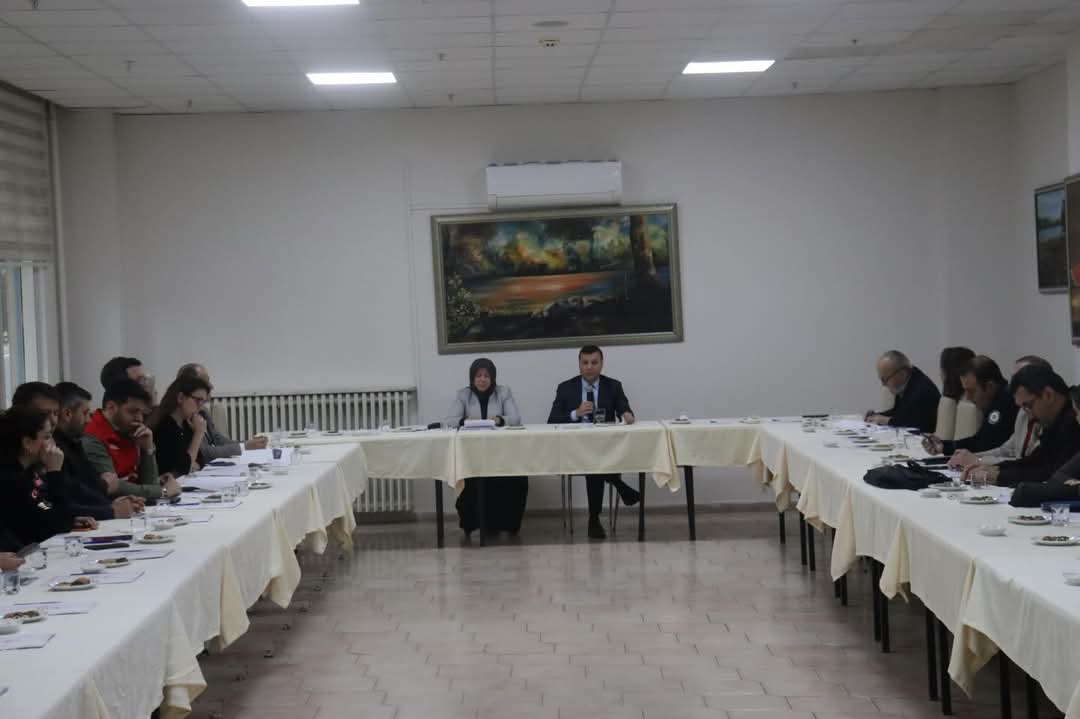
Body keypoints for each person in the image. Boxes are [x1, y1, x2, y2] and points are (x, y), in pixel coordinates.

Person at [547, 345, 640, 540]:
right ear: (579, 364)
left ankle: (595, 518)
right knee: (594, 462)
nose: (589, 367)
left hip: (604, 447)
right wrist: (576, 413)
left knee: (595, 461)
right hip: (574, 448)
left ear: (601, 364)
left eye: (594, 362)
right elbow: (552, 420)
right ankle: (616, 490)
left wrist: (627, 414)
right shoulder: (566, 387)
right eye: (585, 363)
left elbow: (624, 407)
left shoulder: (613, 386)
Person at [11, 382, 139, 520]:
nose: (53, 421)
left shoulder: (34, 467)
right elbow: (54, 513)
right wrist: (54, 472)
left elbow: (48, 508)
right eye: (44, 414)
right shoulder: (12, 473)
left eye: (55, 413)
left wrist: (108, 505)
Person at [445, 358, 527, 539]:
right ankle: (472, 523)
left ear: (493, 378)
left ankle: (507, 524)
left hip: (501, 453)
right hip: (472, 454)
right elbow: (449, 420)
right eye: (478, 376)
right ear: (472, 378)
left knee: (518, 478)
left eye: (486, 376)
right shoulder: (463, 395)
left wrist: (500, 419)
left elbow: (515, 418)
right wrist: (464, 421)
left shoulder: (503, 392)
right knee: (468, 478)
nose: (482, 379)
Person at [0, 405, 96, 551]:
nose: (53, 443)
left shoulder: (27, 473)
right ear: (27, 443)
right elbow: (56, 525)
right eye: (47, 436)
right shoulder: (10, 479)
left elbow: (42, 506)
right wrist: (55, 473)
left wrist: (68, 518)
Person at [974, 364, 1080, 487]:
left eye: (1028, 406)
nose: (1029, 417)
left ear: (1048, 395)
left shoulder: (1074, 421)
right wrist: (995, 468)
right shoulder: (1056, 420)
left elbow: (1052, 474)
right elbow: (1037, 461)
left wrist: (999, 475)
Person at [53, 382, 142, 520]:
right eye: (85, 413)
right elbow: (59, 505)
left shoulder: (74, 443)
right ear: (67, 414)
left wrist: (110, 503)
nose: (89, 420)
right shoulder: (55, 451)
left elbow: (89, 487)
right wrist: (109, 509)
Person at [83, 378, 180, 501]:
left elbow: (150, 485)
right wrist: (162, 492)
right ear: (111, 407)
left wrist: (147, 450)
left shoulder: (127, 430)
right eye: (133, 411)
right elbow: (113, 487)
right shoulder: (92, 437)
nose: (139, 419)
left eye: (142, 413)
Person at [949, 355, 1048, 471]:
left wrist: (978, 461)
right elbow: (1006, 450)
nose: (1012, 387)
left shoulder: (1042, 416)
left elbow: (1030, 464)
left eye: (1019, 381)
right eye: (1013, 380)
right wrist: (973, 457)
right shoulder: (1023, 412)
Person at [923, 356, 1017, 456]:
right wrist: (945, 446)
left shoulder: (1006, 404)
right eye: (965, 390)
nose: (968, 397)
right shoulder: (996, 399)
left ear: (989, 386)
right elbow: (979, 441)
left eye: (971, 391)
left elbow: (987, 446)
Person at [175, 363, 267, 459]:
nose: (211, 386)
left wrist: (247, 444)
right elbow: (205, 453)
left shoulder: (203, 411)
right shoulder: (183, 415)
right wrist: (244, 447)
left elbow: (217, 439)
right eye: (205, 382)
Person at [865, 350, 940, 433]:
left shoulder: (922, 389)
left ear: (902, 373)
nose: (883, 384)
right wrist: (877, 415)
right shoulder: (907, 382)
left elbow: (915, 423)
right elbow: (899, 412)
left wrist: (886, 420)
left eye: (885, 379)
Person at [151, 375, 211, 478]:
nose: (200, 407)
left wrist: (190, 464)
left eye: (203, 402)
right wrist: (198, 434)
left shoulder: (185, 424)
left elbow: (201, 460)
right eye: (197, 400)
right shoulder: (165, 426)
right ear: (180, 398)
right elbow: (184, 468)